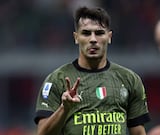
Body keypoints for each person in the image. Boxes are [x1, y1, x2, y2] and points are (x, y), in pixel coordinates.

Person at [34, 6, 150, 135]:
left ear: (109, 37)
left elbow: (139, 132)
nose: (93, 39)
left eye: (99, 33)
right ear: (76, 37)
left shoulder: (130, 79)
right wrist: (64, 108)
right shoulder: (57, 80)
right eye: (86, 33)